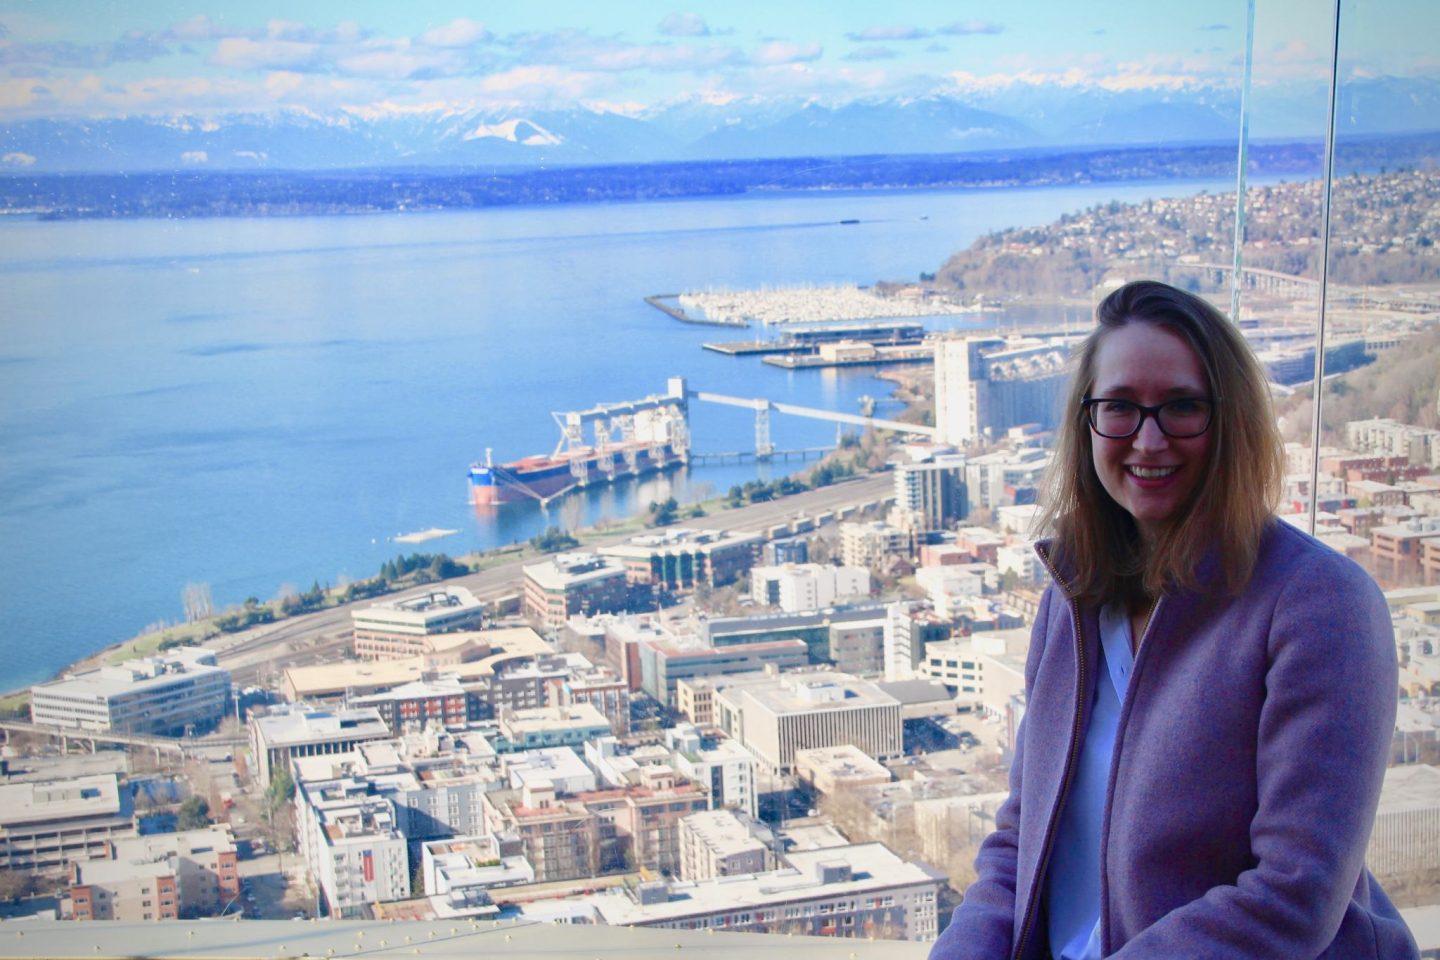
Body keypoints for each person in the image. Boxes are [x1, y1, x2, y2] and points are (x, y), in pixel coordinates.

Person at [928, 280, 1418, 959]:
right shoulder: (1070, 601)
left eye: (1182, 407)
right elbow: (1023, 836)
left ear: (1231, 421)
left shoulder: (1319, 604)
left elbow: (1294, 894)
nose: (1148, 441)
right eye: (1121, 408)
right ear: (1086, 423)